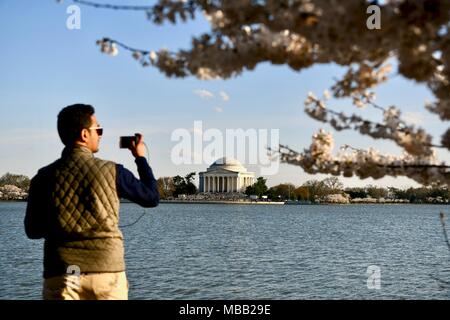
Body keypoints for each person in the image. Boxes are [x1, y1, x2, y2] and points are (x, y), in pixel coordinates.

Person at [24, 104, 159, 300]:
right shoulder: (113, 171)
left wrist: (63, 224)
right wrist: (140, 158)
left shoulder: (43, 177)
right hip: (106, 272)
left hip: (62, 273)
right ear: (84, 134)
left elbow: (32, 230)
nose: (101, 135)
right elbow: (151, 197)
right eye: (99, 130)